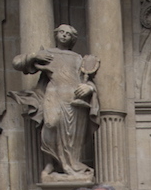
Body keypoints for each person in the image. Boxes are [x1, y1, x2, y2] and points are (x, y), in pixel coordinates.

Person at [11, 24, 99, 181]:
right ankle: (51, 162)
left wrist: (89, 88)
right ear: (56, 35)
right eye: (62, 32)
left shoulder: (77, 58)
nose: (64, 36)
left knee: (72, 135)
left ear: (73, 39)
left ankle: (70, 166)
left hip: (74, 99)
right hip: (54, 94)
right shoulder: (47, 54)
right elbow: (17, 63)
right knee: (51, 124)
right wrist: (33, 56)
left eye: (68, 34)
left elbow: (87, 80)